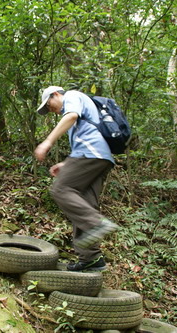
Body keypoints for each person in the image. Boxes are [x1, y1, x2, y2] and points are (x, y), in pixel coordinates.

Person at [34, 86, 119, 272]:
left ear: (56, 95)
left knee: (61, 190)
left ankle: (96, 223)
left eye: (49, 105)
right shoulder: (82, 108)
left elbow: (71, 116)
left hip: (91, 153)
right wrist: (66, 164)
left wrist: (48, 142)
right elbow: (87, 135)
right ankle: (91, 258)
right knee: (84, 206)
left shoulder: (72, 96)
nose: (51, 110)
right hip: (100, 158)